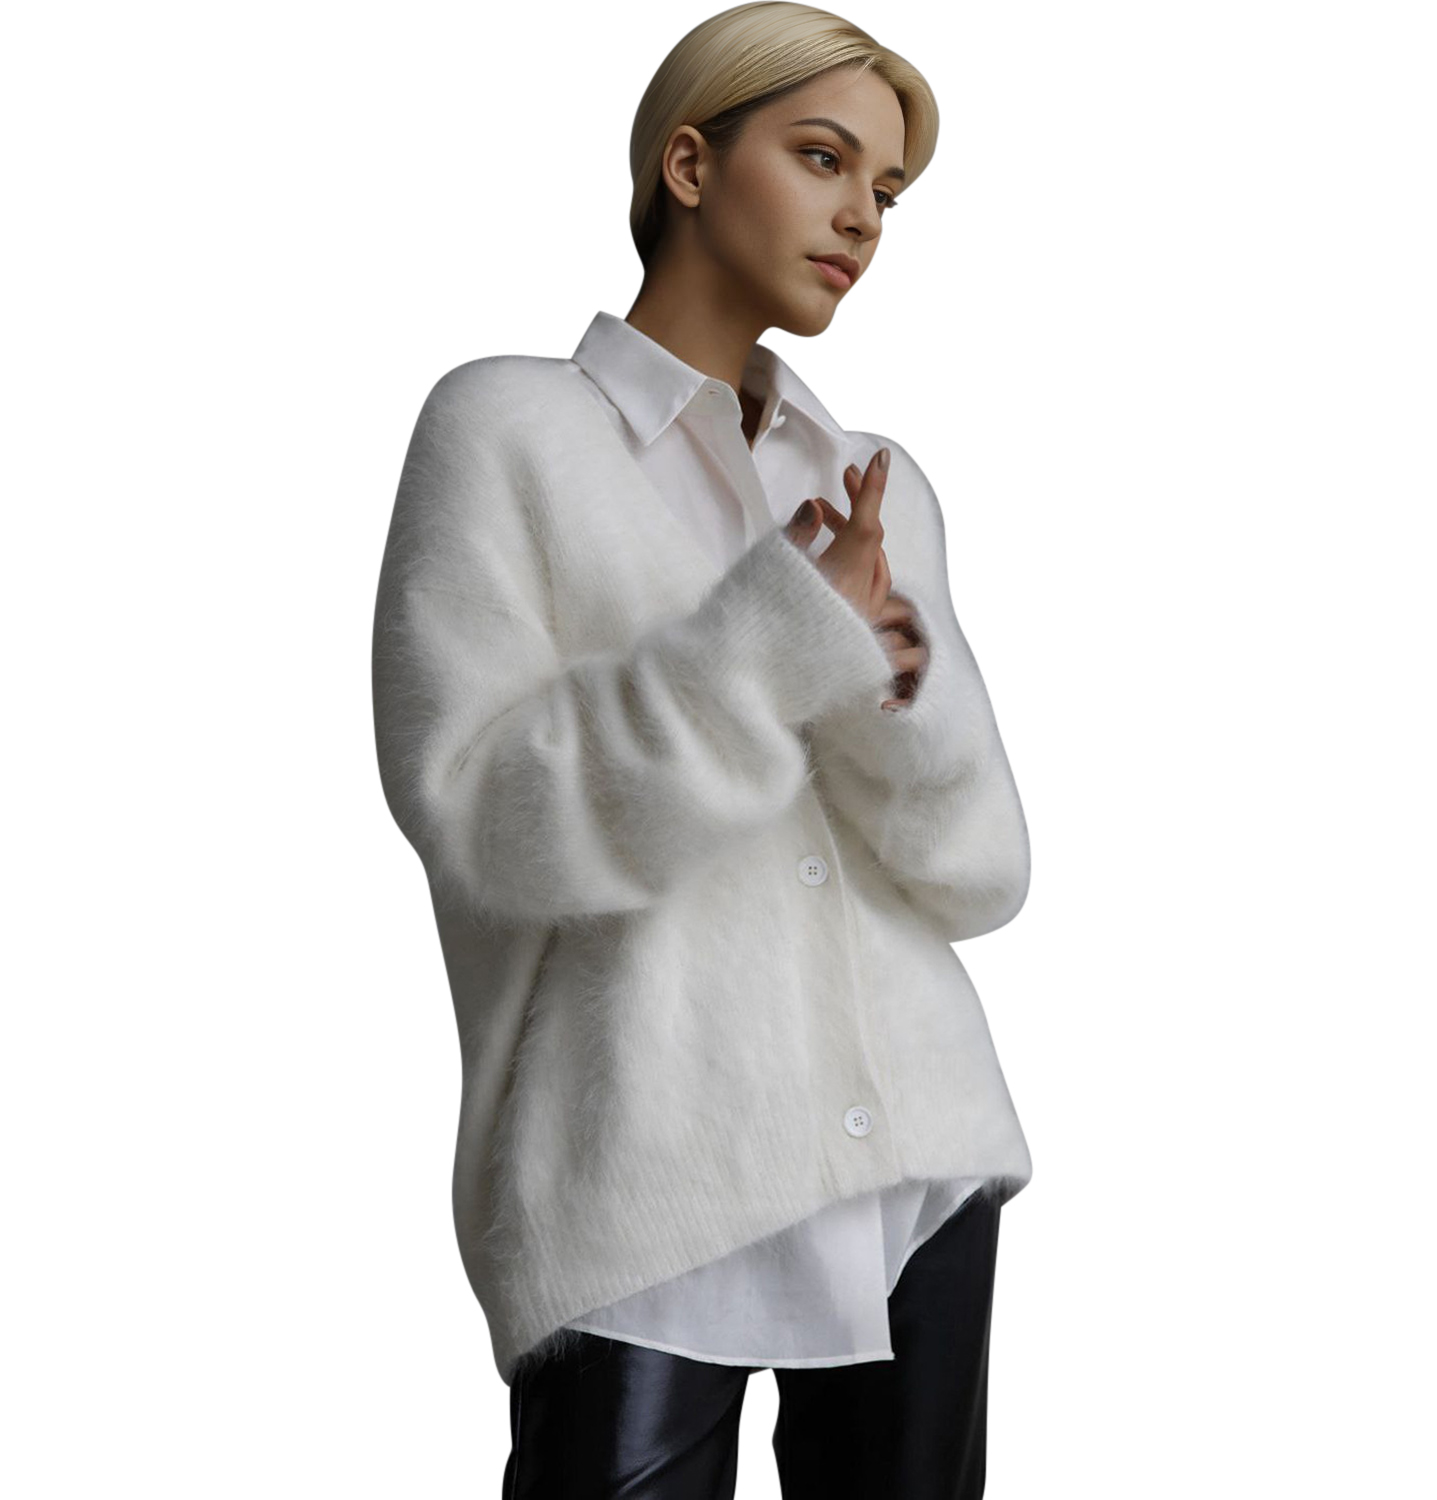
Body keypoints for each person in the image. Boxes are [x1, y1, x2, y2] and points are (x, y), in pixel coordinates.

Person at [371, 4, 1033, 1496]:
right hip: (638, 1171)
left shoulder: (871, 480)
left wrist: (884, 685)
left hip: (916, 1162)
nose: (862, 217)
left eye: (887, 190)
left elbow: (982, 870)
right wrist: (778, 637)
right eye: (823, 159)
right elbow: (483, 819)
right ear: (689, 164)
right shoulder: (506, 428)